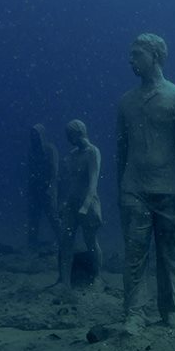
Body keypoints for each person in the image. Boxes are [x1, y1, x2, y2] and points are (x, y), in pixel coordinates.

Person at [116, 33, 175, 331]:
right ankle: (134, 312)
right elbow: (121, 150)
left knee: (170, 254)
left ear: (155, 56)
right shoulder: (126, 102)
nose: (130, 60)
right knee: (134, 254)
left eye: (137, 54)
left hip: (170, 189)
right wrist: (120, 187)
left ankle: (169, 308)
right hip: (134, 188)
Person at [57, 119, 102, 288]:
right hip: (71, 204)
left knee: (91, 241)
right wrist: (63, 204)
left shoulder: (92, 152)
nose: (68, 138)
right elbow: (67, 182)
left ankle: (97, 276)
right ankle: (65, 280)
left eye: (70, 134)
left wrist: (86, 205)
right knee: (66, 241)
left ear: (78, 133)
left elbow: (93, 182)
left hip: (87, 204)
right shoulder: (71, 155)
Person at [27, 124, 60, 250]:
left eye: (36, 134)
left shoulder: (50, 149)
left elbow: (55, 170)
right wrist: (31, 189)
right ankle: (32, 243)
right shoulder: (31, 151)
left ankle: (62, 240)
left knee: (53, 215)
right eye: (32, 135)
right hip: (35, 189)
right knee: (33, 217)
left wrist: (51, 187)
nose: (34, 137)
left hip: (48, 188)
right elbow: (30, 171)